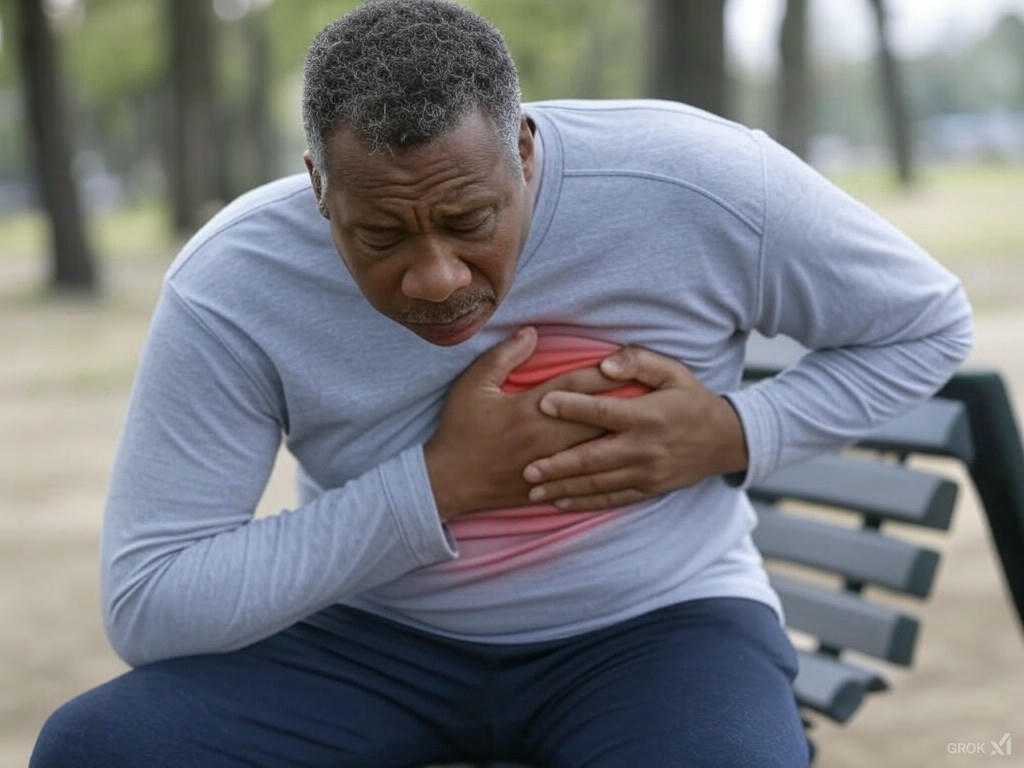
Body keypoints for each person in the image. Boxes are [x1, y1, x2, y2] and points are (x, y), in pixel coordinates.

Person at [31, 1, 973, 766]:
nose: (435, 277)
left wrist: (731, 433)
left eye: (469, 219)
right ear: (318, 185)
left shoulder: (699, 182)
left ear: (524, 150)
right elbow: (151, 601)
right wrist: (441, 484)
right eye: (380, 235)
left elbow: (927, 324)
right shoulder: (236, 282)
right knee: (97, 749)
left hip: (655, 627)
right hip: (369, 640)